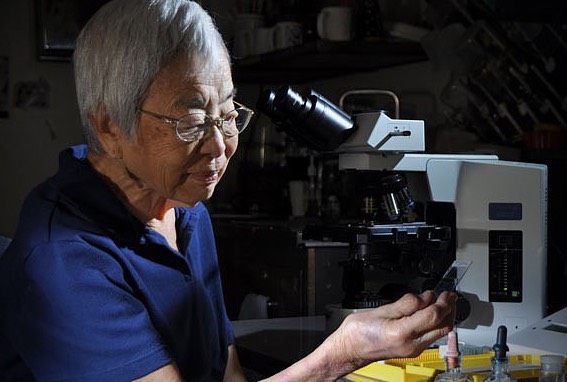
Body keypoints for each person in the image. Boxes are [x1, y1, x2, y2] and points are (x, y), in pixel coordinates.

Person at [0, 0, 457, 380]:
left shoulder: (185, 208)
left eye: (228, 114)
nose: (220, 147)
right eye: (193, 121)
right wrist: (344, 352)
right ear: (109, 125)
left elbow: (228, 377)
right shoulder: (64, 259)